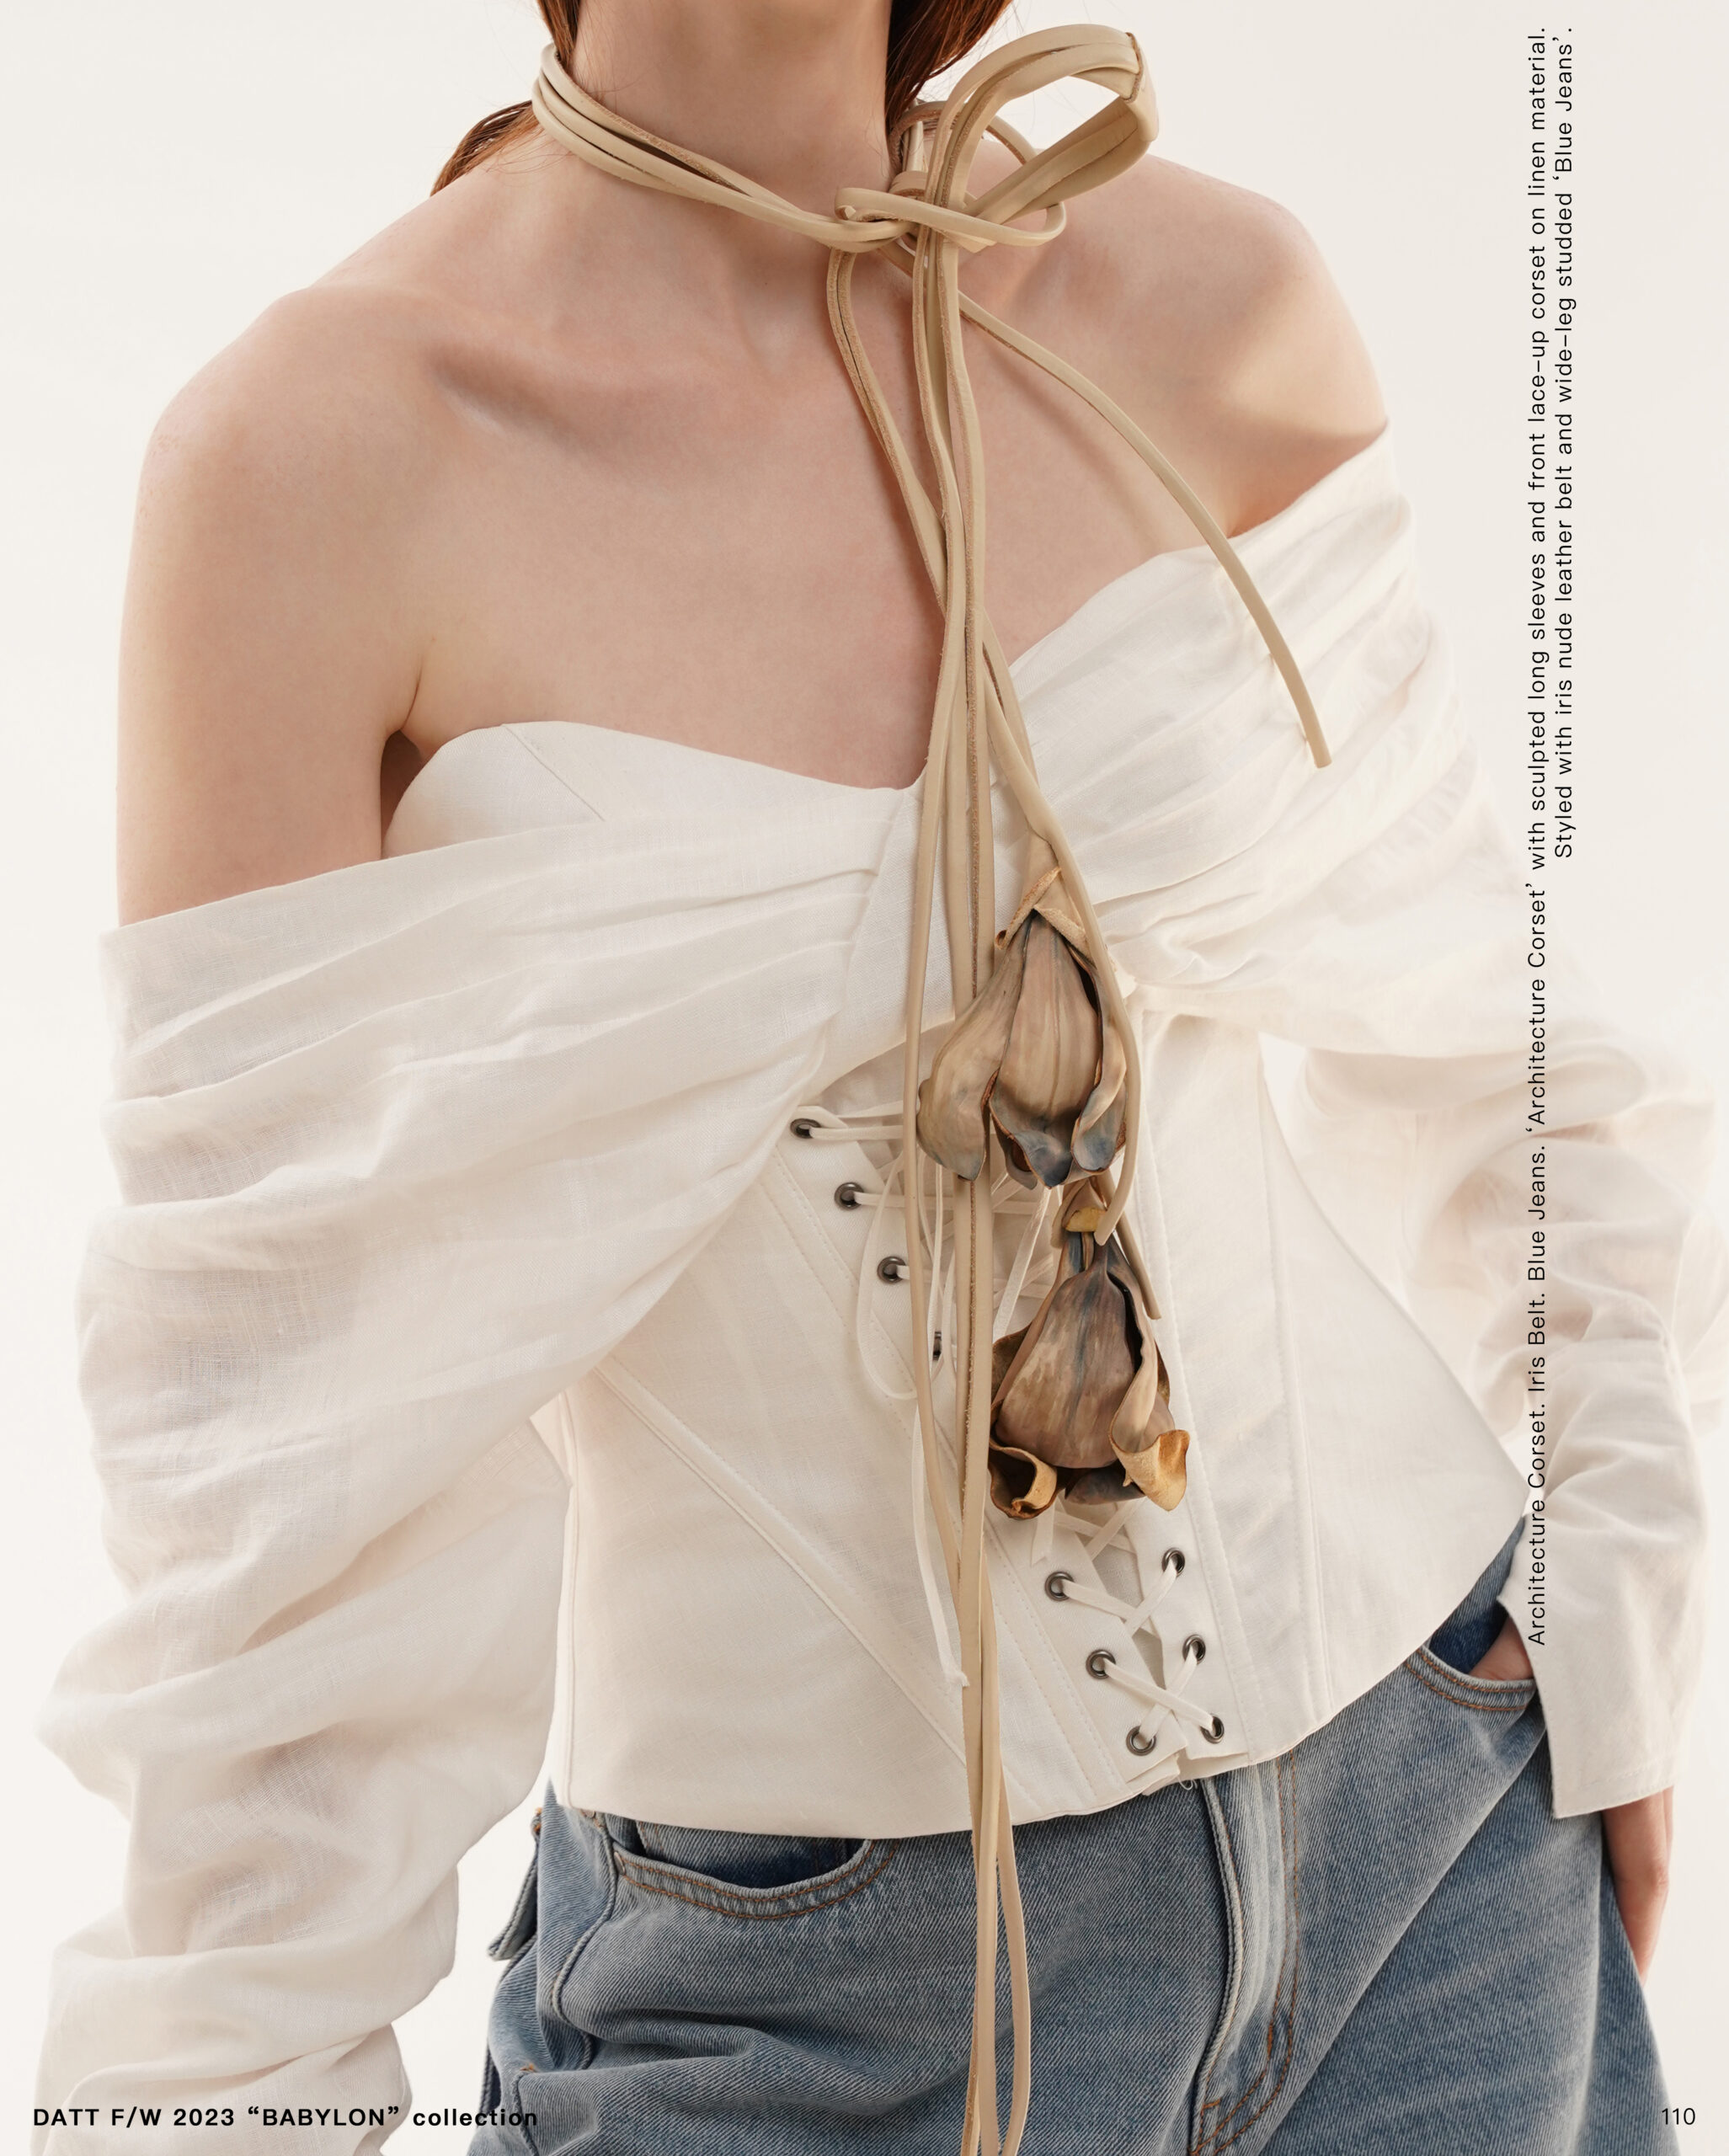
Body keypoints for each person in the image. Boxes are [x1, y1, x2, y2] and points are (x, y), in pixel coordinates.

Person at [33, 3, 1721, 2153]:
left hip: (1443, 1877)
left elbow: (1490, 1038)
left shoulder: (1205, 296)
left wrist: (1610, 1593)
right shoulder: (309, 471)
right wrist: (218, 2103)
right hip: (803, 2010)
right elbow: (276, 1502)